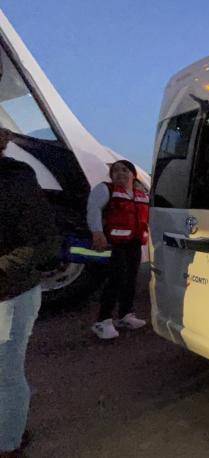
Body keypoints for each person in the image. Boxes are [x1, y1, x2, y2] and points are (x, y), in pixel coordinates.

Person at [0, 128, 61, 455]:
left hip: (10, 294)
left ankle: (9, 444)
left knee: (6, 375)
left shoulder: (16, 180)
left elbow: (45, 242)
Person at [87, 160, 149, 339]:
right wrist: (97, 232)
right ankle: (102, 321)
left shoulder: (141, 194)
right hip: (115, 244)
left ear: (133, 174)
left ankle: (125, 315)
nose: (120, 174)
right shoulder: (106, 189)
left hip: (134, 243)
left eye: (124, 170)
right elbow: (94, 209)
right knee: (116, 279)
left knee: (131, 279)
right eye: (115, 171)